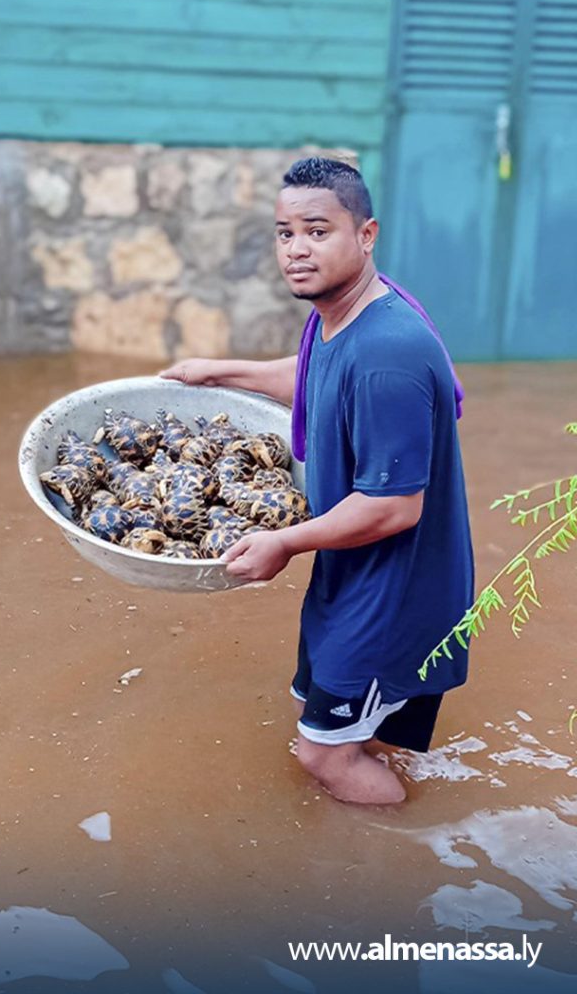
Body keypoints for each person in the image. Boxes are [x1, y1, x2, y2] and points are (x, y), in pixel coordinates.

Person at [161, 157, 473, 805]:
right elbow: (315, 376)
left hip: (394, 594)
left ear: (365, 234)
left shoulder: (390, 353)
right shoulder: (341, 315)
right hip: (350, 576)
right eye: (283, 233)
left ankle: (400, 868)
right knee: (350, 731)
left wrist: (286, 541)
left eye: (316, 230)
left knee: (322, 755)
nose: (296, 249)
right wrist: (216, 372)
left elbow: (394, 507)